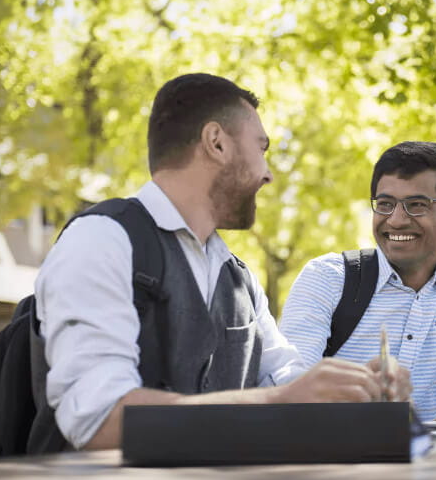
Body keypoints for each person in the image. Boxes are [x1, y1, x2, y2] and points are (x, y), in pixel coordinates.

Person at [35, 73, 410, 451]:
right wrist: (280, 403)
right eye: (261, 148)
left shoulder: (239, 279)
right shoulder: (101, 240)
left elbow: (286, 381)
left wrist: (355, 388)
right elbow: (100, 422)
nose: (268, 173)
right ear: (216, 143)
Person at [280, 141, 436, 421]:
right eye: (385, 204)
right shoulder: (327, 279)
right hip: (338, 458)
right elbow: (288, 390)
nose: (396, 220)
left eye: (417, 205)